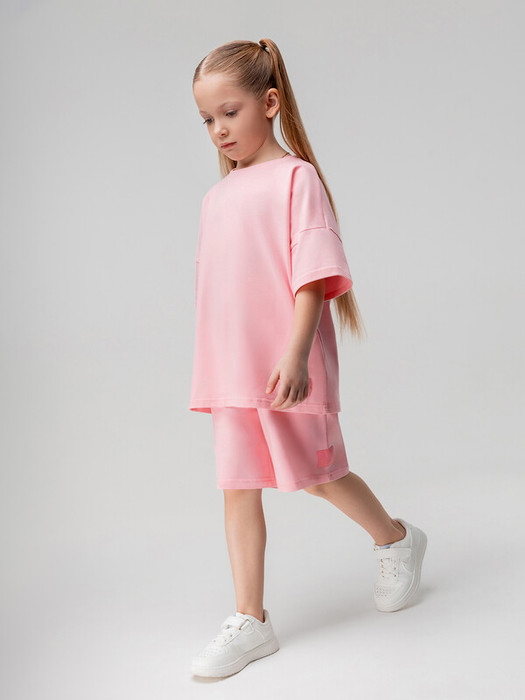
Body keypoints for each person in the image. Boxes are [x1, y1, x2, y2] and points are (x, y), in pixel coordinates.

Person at [188, 38, 427, 679]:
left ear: (269, 103)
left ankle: (396, 539)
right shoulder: (216, 198)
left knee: (320, 475)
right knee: (238, 487)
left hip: (285, 365)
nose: (218, 130)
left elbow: (311, 278)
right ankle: (251, 618)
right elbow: (218, 294)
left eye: (230, 112)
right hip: (233, 371)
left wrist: (296, 355)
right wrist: (212, 370)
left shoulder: (297, 179)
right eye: (207, 119)